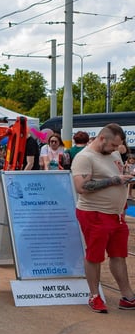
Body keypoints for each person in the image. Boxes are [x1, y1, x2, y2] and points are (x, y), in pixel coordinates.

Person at [71, 123, 135, 313]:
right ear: (102, 139)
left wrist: (126, 177)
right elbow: (82, 187)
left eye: (118, 146)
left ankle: (128, 296)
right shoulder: (84, 157)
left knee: (119, 255)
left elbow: (116, 174)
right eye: (114, 145)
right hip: (95, 213)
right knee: (95, 256)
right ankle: (94, 295)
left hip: (116, 214)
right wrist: (115, 181)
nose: (117, 150)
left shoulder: (112, 154)